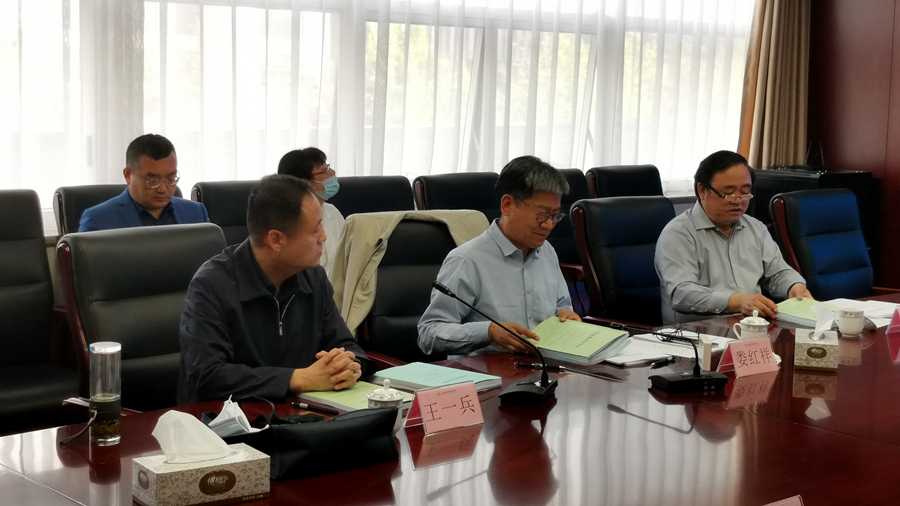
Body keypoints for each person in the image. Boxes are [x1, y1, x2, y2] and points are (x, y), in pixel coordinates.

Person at [177, 174, 374, 405]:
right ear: (276, 240)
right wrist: (299, 378)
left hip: (300, 413)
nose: (324, 237)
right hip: (229, 420)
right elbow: (208, 375)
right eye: (314, 230)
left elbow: (346, 345)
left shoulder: (313, 277)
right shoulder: (212, 285)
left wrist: (349, 365)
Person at [417, 155, 580, 357]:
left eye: (555, 216)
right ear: (507, 205)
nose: (549, 225)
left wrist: (565, 315)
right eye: (542, 215)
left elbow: (561, 306)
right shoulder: (467, 260)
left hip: (544, 366)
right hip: (486, 371)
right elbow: (428, 333)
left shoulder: (547, 251)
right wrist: (488, 332)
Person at [655, 150, 812, 323]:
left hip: (752, 327)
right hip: (697, 331)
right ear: (702, 191)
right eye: (729, 193)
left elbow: (778, 273)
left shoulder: (755, 228)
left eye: (745, 192)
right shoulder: (678, 234)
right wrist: (737, 302)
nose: (738, 200)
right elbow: (682, 294)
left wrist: (794, 286)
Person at [79, 134, 209, 231]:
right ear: (128, 176)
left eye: (170, 179)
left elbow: (211, 258)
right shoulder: (98, 220)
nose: (163, 189)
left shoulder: (196, 213)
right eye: (152, 181)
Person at [277, 148, 345, 279]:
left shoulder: (332, 211)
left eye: (328, 167)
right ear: (305, 183)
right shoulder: (284, 221)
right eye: (325, 171)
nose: (333, 173)